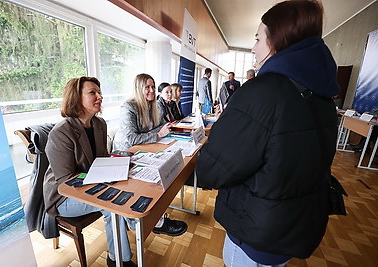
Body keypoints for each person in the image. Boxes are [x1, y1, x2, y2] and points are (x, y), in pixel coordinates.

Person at [196, 1, 339, 267]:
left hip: (255, 231)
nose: (253, 47)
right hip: (292, 225)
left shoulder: (262, 92)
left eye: (258, 38)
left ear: (277, 41)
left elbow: (214, 169)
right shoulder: (322, 97)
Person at [43, 77, 137, 267]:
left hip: (92, 184)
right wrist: (104, 178)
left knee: (128, 190)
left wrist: (119, 167)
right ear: (76, 98)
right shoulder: (61, 132)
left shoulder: (100, 124)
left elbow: (101, 160)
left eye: (99, 92)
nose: (100, 96)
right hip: (63, 196)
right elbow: (66, 183)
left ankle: (132, 238)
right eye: (92, 92)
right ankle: (119, 259)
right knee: (113, 205)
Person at [113, 73, 188, 236]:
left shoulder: (151, 106)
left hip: (144, 149)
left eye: (153, 87)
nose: (152, 90)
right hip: (125, 153)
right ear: (139, 88)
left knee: (163, 171)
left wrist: (156, 132)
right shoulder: (129, 107)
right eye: (147, 87)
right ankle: (146, 221)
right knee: (148, 181)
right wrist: (157, 134)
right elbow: (132, 138)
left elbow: (162, 126)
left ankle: (155, 215)